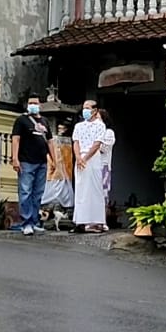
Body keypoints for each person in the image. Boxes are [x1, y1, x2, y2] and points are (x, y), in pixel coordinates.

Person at [11, 96, 54, 236]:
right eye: (30, 103)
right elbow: (15, 140)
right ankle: (26, 223)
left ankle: (35, 221)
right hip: (26, 161)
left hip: (42, 162)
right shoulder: (21, 120)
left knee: (38, 194)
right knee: (25, 192)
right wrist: (15, 159)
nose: (33, 105)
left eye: (35, 103)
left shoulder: (45, 121)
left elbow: (50, 142)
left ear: (40, 105)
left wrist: (54, 161)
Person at [72, 100, 109, 233]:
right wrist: (78, 158)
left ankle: (96, 221)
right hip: (80, 158)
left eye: (88, 108)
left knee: (94, 189)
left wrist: (85, 158)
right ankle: (80, 221)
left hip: (92, 158)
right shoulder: (79, 126)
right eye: (84, 108)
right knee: (81, 189)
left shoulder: (100, 126)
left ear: (95, 110)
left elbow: (97, 144)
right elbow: (76, 142)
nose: (85, 111)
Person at [41, 122, 75, 210]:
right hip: (54, 167)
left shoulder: (68, 141)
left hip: (66, 167)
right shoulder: (52, 140)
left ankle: (63, 204)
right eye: (59, 128)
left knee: (64, 186)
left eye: (62, 128)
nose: (60, 130)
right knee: (53, 184)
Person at [99, 109, 117, 207]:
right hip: (90, 167)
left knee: (103, 193)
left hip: (103, 166)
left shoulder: (108, 132)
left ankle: (102, 219)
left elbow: (104, 148)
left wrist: (94, 143)